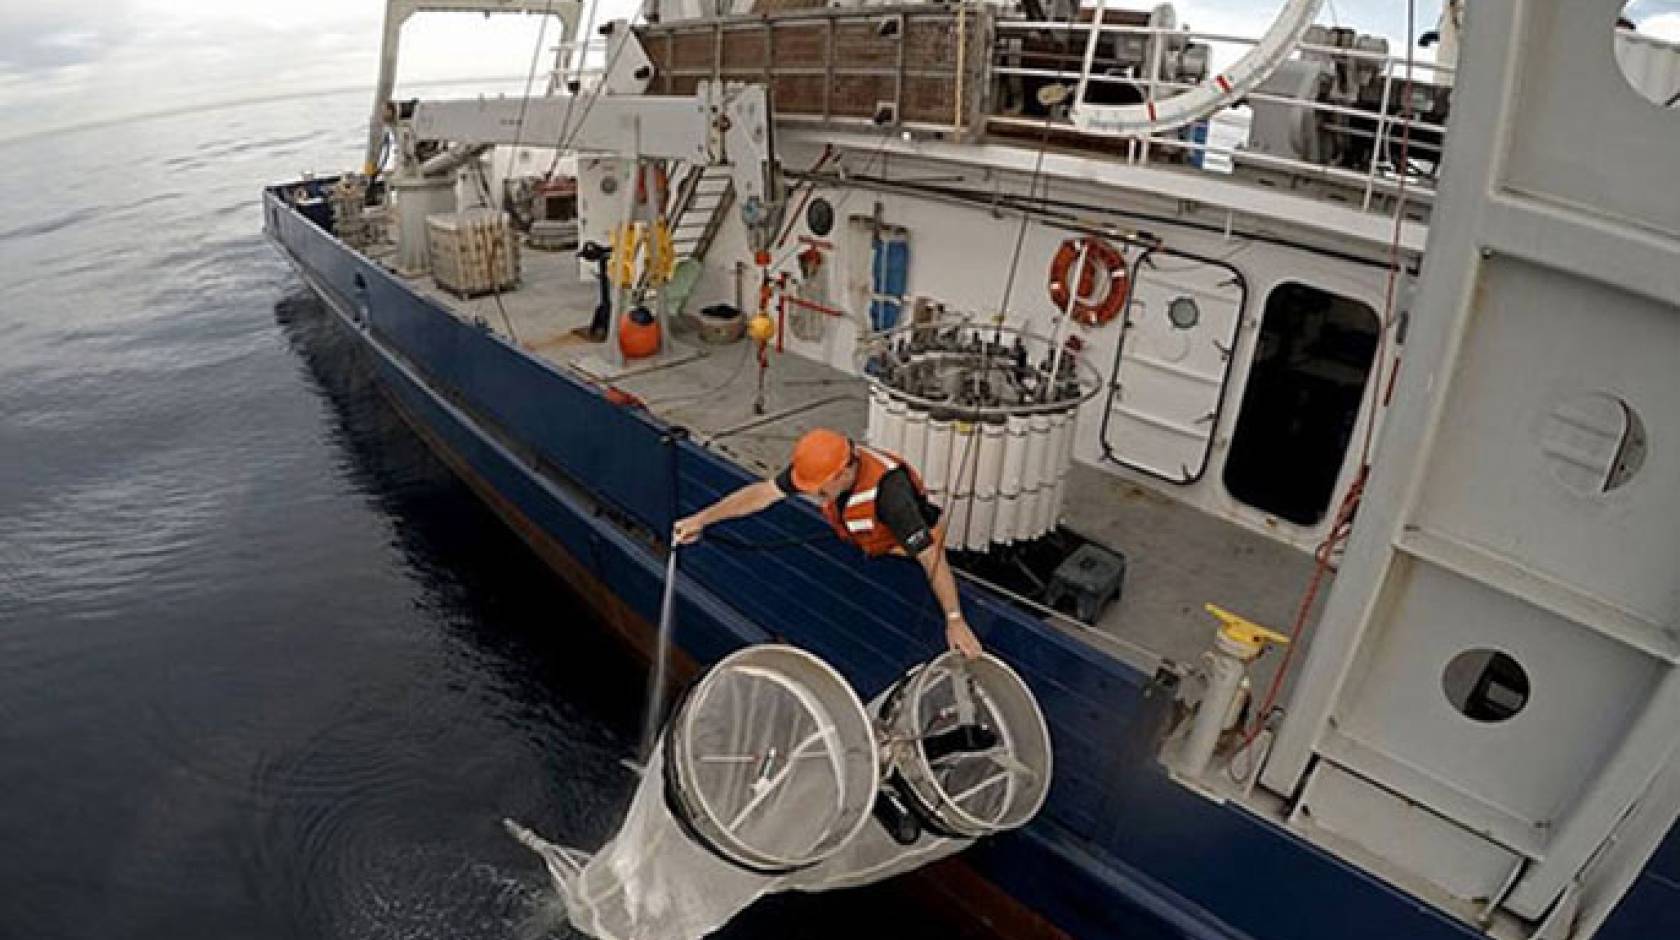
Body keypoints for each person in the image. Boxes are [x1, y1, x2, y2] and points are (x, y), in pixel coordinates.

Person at [673, 428, 983, 659]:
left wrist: (955, 620)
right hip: (865, 540)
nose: (815, 495)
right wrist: (701, 519)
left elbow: (932, 557)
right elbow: (761, 495)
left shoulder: (891, 496)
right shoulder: (824, 465)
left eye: (820, 491)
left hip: (904, 550)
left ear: (844, 473)